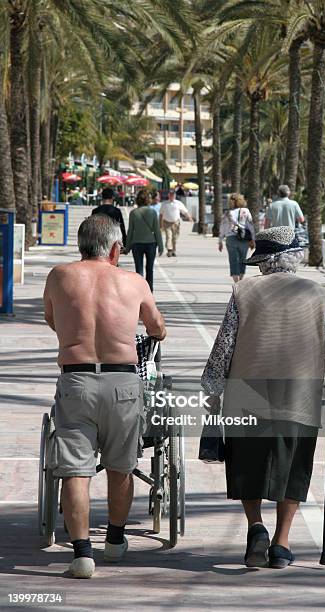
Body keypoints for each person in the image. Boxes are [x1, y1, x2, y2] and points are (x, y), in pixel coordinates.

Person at [201, 227, 325, 570]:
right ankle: (281, 544)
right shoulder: (318, 293)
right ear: (293, 257)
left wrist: (212, 389)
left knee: (246, 466)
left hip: (247, 397)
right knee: (294, 471)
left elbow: (223, 348)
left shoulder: (243, 291)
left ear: (265, 261)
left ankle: (256, 526)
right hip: (299, 399)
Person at [43, 214, 166, 579]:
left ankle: (82, 555)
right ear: (115, 248)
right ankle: (114, 541)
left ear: (82, 245)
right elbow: (156, 328)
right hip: (123, 384)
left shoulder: (59, 276)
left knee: (75, 472)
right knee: (121, 465)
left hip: (76, 381)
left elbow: (52, 319)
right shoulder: (134, 281)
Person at [125, 189, 164, 292]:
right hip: (151, 243)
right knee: (150, 269)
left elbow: (130, 231)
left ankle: (140, 291)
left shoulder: (133, 213)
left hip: (136, 244)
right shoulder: (152, 212)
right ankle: (149, 291)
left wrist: (127, 247)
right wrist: (160, 245)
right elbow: (157, 230)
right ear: (148, 200)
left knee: (139, 269)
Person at [218, 193, 256, 283]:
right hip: (243, 239)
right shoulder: (245, 211)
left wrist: (220, 241)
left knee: (233, 260)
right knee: (243, 259)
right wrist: (253, 239)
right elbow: (250, 226)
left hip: (231, 238)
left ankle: (236, 282)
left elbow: (222, 227)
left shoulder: (228, 213)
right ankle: (241, 280)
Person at [159, 189, 192, 257]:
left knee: (175, 238)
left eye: (173, 195)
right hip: (167, 223)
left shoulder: (178, 203)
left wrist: (189, 218)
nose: (171, 196)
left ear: (175, 195)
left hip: (176, 223)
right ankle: (169, 250)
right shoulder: (164, 203)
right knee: (169, 237)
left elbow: (184, 211)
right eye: (170, 194)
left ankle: (173, 250)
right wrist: (160, 224)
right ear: (168, 195)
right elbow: (161, 214)